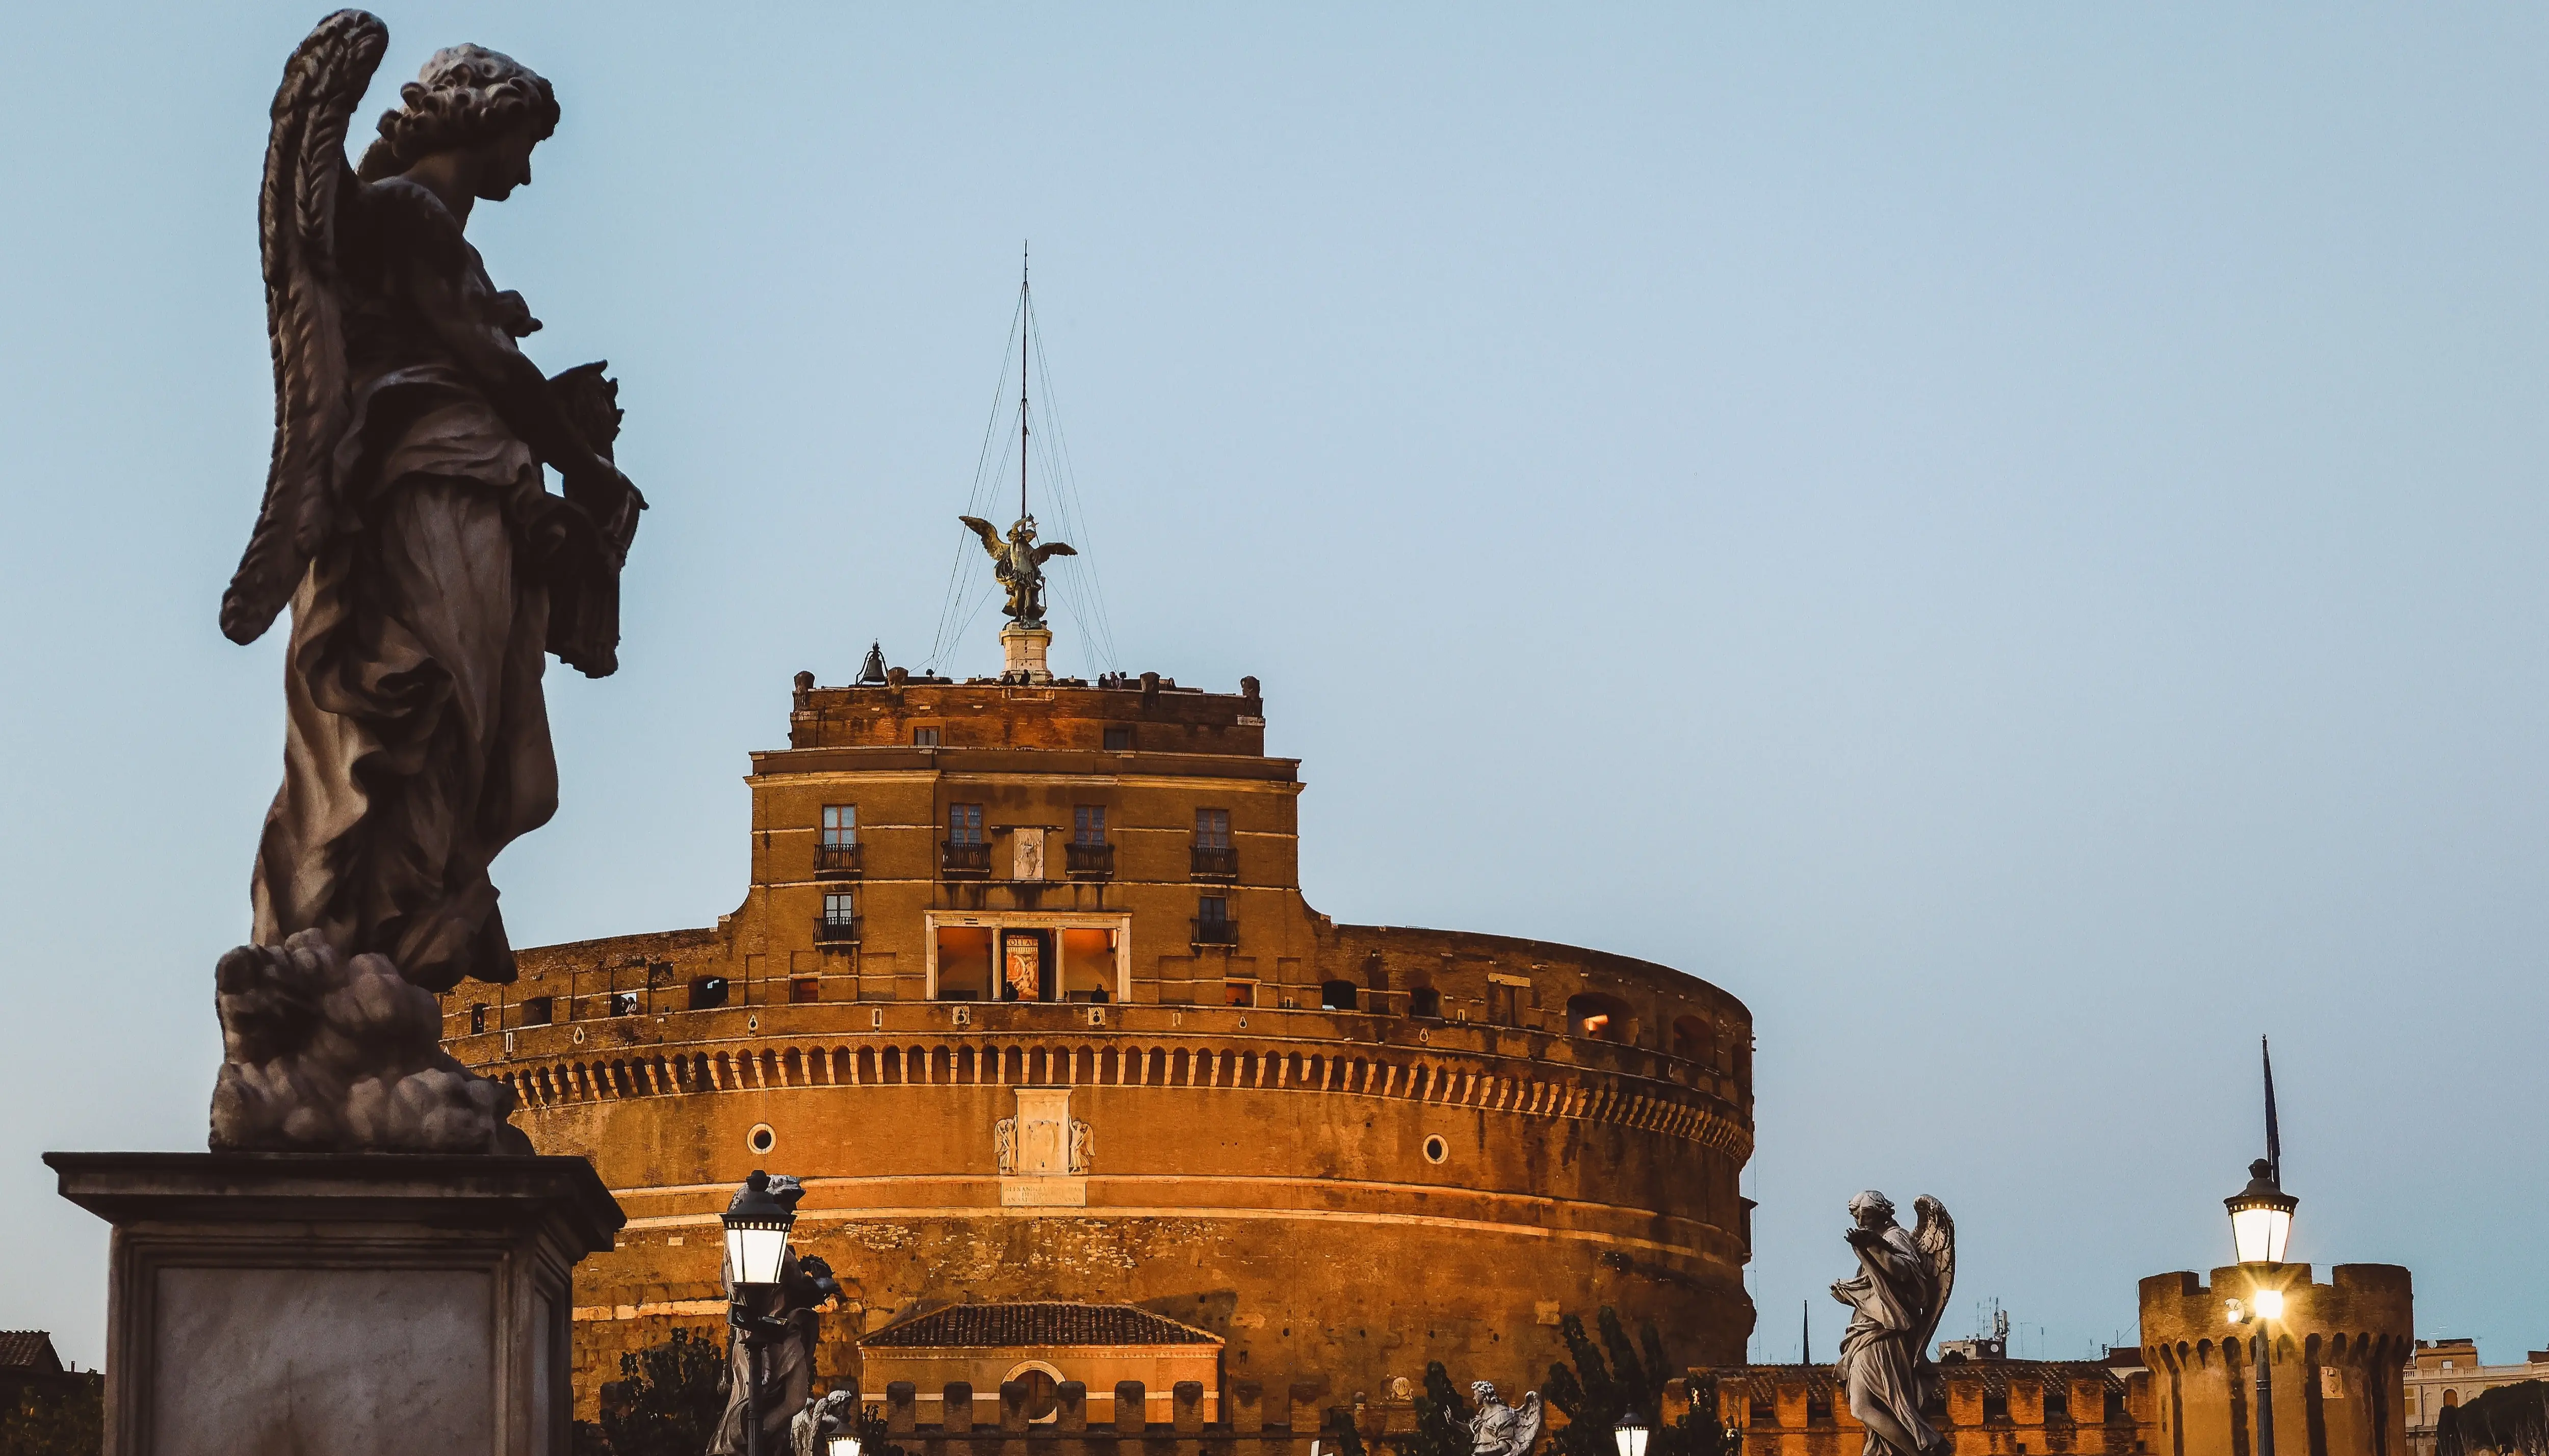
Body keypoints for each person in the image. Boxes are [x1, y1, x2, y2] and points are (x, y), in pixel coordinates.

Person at [232, 30, 644, 995]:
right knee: (431, 716)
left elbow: (478, 360)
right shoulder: (409, 215)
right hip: (426, 500)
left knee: (478, 744)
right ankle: (364, 943)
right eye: (530, 145)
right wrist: (584, 464)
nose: (531, 175)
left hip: (467, 495)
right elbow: (485, 364)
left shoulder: (426, 232)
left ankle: (393, 944)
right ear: (490, 115)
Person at [1830, 1190, 1952, 1456]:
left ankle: (1920, 1450)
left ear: (1882, 1212)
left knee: (1861, 1407)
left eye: (1866, 1214)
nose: (1861, 1221)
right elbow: (1876, 1290)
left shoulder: (1895, 1237)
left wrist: (1875, 1246)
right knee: (1869, 1407)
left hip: (1885, 1334)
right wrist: (1849, 1292)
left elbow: (1908, 1276)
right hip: (1869, 1331)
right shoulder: (1874, 1239)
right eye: (1857, 1216)